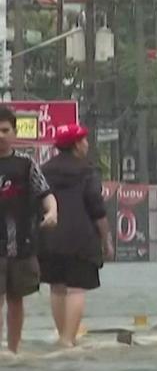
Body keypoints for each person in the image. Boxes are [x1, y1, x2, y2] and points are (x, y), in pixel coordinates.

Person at [38, 124, 112, 348]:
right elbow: (96, 208)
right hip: (81, 238)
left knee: (57, 286)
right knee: (77, 288)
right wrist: (106, 240)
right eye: (84, 140)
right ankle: (69, 340)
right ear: (76, 144)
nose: (87, 144)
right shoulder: (87, 171)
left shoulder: (43, 169)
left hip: (48, 237)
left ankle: (63, 336)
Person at [0, 106, 58, 354]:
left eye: (5, 130)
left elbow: (46, 193)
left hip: (21, 244)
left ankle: (13, 350)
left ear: (14, 132)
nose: (1, 135)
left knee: (16, 299)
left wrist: (52, 212)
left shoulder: (26, 165)